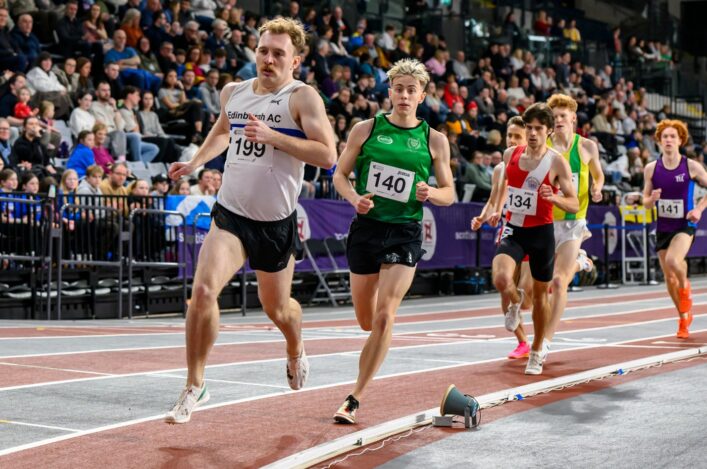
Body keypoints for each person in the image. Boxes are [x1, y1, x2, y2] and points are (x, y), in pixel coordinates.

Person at [164, 17, 337, 424]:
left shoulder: (302, 97)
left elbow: (328, 155)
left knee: (278, 310)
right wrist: (196, 161)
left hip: (275, 223)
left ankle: (295, 346)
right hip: (231, 214)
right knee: (203, 291)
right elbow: (223, 131)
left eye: (278, 53)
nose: (268, 59)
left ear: (295, 60)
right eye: (263, 51)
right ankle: (194, 384)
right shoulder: (234, 92)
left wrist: (274, 137)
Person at [331, 58, 454, 424]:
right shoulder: (365, 129)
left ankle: (354, 397)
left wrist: (430, 192)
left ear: (422, 95)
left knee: (385, 317)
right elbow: (339, 175)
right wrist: (355, 199)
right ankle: (372, 349)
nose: (404, 96)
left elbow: (449, 193)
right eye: (398, 89)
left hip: (405, 231)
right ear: (389, 92)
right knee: (366, 321)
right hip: (367, 229)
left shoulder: (434, 139)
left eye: (411, 90)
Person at [492, 103, 578, 376]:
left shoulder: (556, 162)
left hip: (541, 234)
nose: (531, 133)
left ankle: (537, 350)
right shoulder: (510, 154)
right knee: (501, 279)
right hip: (514, 229)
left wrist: (555, 198)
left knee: (541, 298)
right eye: (528, 128)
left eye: (538, 129)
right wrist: (494, 210)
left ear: (549, 131)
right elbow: (504, 188)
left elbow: (574, 203)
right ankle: (515, 298)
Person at [542, 94, 603, 352]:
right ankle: (582, 261)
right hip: (544, 221)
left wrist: (597, 189)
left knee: (559, 282)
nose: (558, 120)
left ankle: (545, 341)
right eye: (554, 116)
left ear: (573, 118)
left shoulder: (586, 147)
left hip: (573, 221)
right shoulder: (543, 146)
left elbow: (598, 176)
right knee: (539, 285)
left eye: (562, 116)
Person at [471, 115, 532, 359]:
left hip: (533, 231)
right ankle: (523, 342)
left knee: (526, 300)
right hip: (509, 231)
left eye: (518, 136)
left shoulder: (536, 165)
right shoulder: (500, 169)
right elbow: (494, 199)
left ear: (528, 138)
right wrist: (483, 216)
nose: (512, 140)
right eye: (510, 136)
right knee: (504, 287)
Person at [642, 120, 707, 339]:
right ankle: (683, 318)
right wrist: (651, 199)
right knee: (669, 278)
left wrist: (699, 209)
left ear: (680, 141)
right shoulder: (651, 168)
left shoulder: (691, 166)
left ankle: (686, 285)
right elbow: (645, 202)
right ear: (659, 141)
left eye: (673, 136)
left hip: (685, 224)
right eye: (665, 137)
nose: (668, 140)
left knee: (673, 260)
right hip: (663, 227)